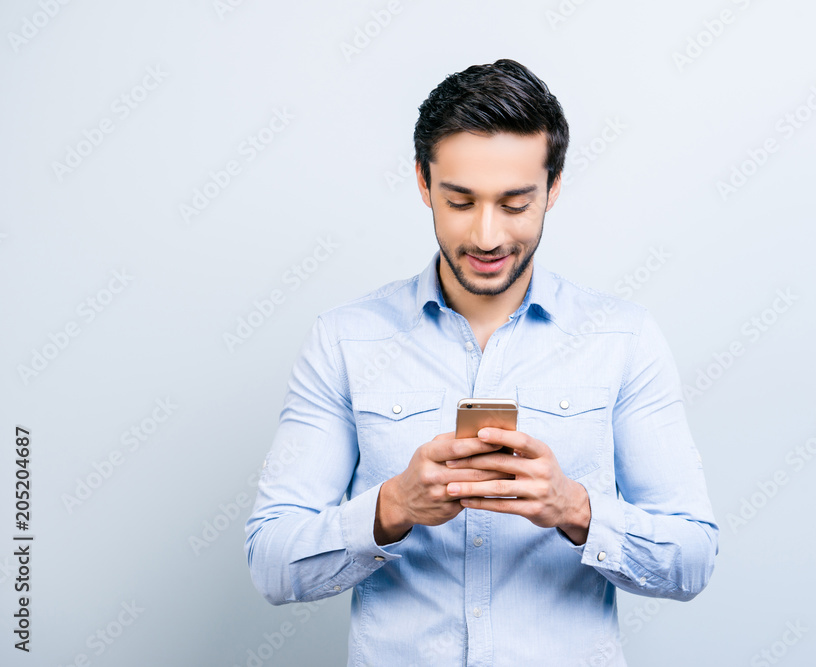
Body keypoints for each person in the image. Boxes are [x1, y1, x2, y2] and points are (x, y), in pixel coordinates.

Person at [244, 58, 718, 666]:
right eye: (461, 201)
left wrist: (575, 509)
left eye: (515, 204)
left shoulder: (623, 339)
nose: (488, 236)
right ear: (422, 182)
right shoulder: (344, 340)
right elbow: (271, 563)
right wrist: (392, 508)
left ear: (553, 187)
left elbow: (692, 560)